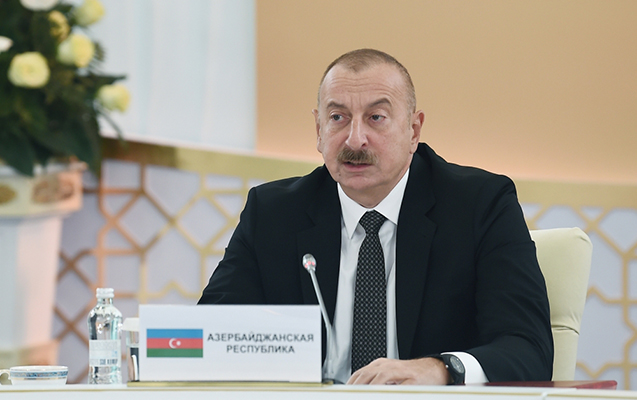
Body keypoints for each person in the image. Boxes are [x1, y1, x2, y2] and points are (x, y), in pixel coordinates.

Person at [198, 49, 553, 385]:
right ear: (319, 131)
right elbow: (206, 336)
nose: (355, 140)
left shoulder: (479, 206)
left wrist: (439, 369)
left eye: (376, 118)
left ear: (413, 131)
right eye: (338, 118)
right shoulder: (273, 213)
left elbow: (527, 347)